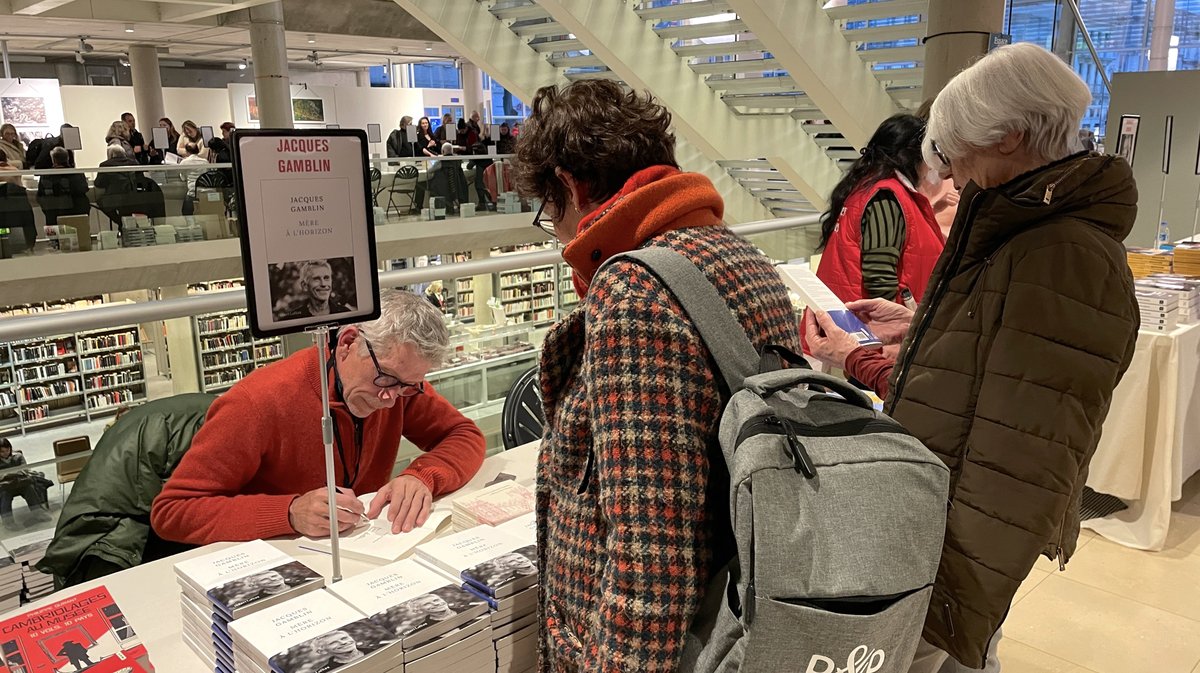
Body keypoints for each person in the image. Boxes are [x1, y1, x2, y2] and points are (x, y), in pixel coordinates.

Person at [802, 42, 1140, 673]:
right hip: (939, 513)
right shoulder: (1028, 235)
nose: (953, 177)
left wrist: (952, 587)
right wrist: (922, 325)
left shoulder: (1059, 253)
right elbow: (990, 366)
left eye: (959, 155)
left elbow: (1020, 453)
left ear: (1009, 137)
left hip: (951, 538)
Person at [515, 79, 799, 671]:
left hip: (687, 640)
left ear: (568, 185)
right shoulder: (737, 254)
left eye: (550, 214)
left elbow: (652, 545)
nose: (559, 235)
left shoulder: (634, 288)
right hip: (747, 598)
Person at [151, 290, 487, 544]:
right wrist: (289, 512)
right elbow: (173, 511)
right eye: (384, 379)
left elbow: (465, 436)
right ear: (348, 343)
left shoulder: (399, 386)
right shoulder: (257, 402)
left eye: (407, 387)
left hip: (363, 552)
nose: (390, 400)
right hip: (280, 562)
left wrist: (422, 476)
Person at [816, 113, 945, 306]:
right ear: (912, 156)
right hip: (870, 327)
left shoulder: (865, 187)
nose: (930, 166)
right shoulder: (886, 196)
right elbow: (880, 275)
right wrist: (893, 326)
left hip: (851, 318)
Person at [0, 438, 50, 528]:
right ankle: (8, 522)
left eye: (7, 450)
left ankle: (38, 513)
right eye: (2, 452)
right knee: (4, 495)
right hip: (6, 486)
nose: (6, 453)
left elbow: (25, 469)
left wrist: (7, 474)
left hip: (21, 483)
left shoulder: (18, 456)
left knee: (29, 488)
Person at [37, 147, 89, 229]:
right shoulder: (77, 174)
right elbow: (83, 189)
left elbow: (40, 195)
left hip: (53, 213)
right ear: (67, 158)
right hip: (76, 212)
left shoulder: (46, 175)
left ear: (53, 160)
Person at [284, 260, 354, 319]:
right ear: (304, 286)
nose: (323, 284)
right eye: (316, 279)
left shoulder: (345, 313)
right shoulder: (292, 318)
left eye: (326, 278)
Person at [95, 145, 141, 227]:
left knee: (101, 202)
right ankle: (126, 225)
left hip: (115, 198)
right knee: (127, 212)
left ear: (110, 155)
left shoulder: (105, 165)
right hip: (134, 196)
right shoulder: (134, 162)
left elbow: (98, 183)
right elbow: (141, 179)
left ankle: (119, 222)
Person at [179, 143, 208, 216]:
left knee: (186, 212)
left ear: (187, 151)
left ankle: (192, 226)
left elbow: (183, 178)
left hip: (192, 192)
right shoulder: (205, 161)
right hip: (205, 192)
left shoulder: (184, 162)